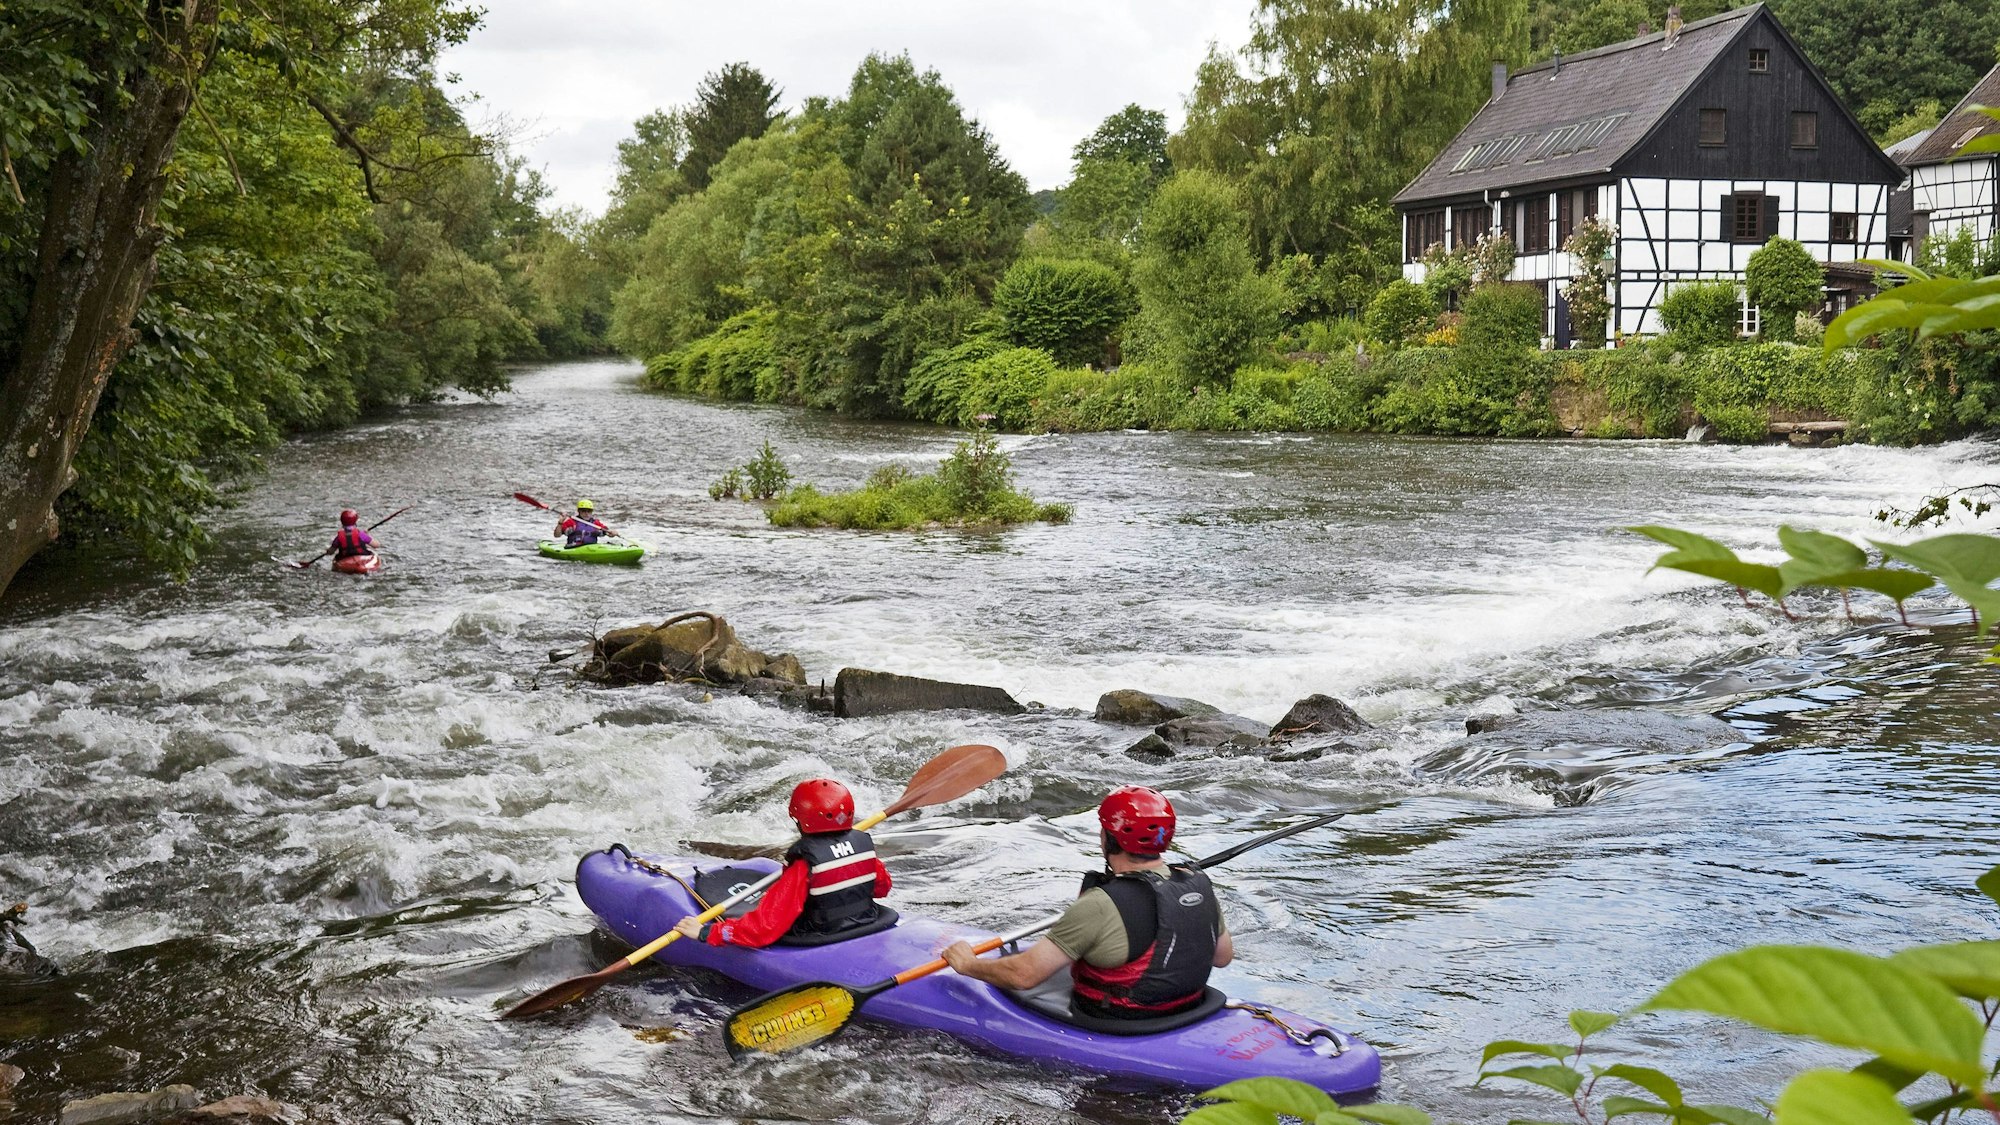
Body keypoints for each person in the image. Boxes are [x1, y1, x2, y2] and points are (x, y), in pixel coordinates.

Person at [941, 786, 1232, 1020]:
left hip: (1123, 1019)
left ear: (1108, 838)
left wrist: (968, 964)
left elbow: (1024, 975)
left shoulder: (1100, 904)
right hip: (1187, 1008)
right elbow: (1222, 958)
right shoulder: (1196, 884)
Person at [672, 778, 892, 948]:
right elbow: (882, 888)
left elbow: (765, 928)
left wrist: (706, 933)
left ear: (799, 819)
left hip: (821, 933)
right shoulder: (863, 847)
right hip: (866, 921)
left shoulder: (805, 864)